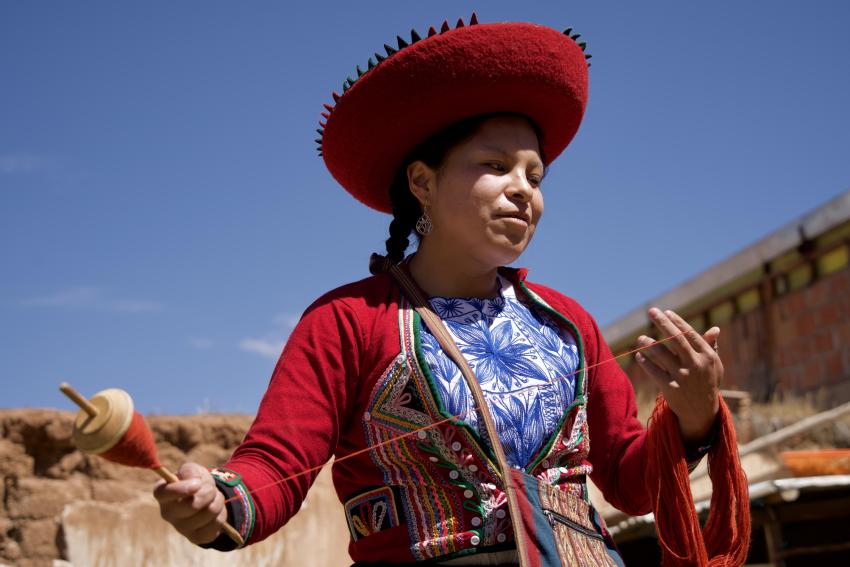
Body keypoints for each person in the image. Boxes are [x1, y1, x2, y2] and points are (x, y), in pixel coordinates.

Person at [154, 13, 737, 566]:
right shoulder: (349, 320)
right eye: (496, 165)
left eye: (535, 176)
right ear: (422, 182)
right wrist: (219, 500)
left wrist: (691, 417)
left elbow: (631, 484)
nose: (523, 191)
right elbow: (275, 465)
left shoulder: (568, 323)